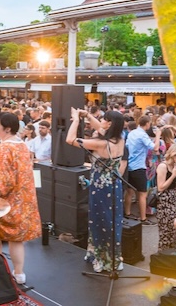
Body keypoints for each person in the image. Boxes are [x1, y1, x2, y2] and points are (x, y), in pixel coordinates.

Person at [67, 109, 126, 273]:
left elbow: (70, 139)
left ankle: (101, 259)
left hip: (100, 187)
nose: (102, 121)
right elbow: (101, 128)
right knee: (113, 221)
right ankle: (113, 257)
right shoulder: (120, 140)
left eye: (105, 120)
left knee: (100, 221)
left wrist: (76, 120)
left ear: (110, 124)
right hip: (114, 186)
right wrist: (87, 116)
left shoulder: (101, 144)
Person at [0, 112, 40, 284]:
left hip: (4, 201)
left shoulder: (4, 147)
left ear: (7, 129)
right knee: (17, 240)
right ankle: (19, 274)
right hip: (22, 200)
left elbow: (4, 179)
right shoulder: (23, 145)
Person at [124, 116, 159, 225]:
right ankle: (143, 218)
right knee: (142, 194)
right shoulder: (143, 135)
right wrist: (158, 135)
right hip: (138, 167)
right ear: (147, 124)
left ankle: (127, 213)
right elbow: (155, 148)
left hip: (128, 166)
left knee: (129, 192)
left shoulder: (132, 133)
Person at [155, 142, 176, 250]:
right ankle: (163, 255)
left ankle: (170, 256)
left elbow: (172, 184)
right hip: (164, 201)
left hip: (173, 198)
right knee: (165, 230)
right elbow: (161, 187)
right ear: (173, 155)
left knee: (173, 230)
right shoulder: (163, 166)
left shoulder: (174, 166)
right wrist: (173, 175)